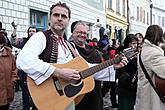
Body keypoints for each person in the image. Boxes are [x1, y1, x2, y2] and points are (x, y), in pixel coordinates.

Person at [16, 2, 128, 110]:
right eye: (56, 15)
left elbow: (86, 68)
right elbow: (23, 59)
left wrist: (112, 66)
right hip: (47, 99)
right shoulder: (41, 37)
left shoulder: (67, 45)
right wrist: (58, 72)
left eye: (64, 16)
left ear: (68, 21)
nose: (60, 18)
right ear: (50, 18)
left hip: (65, 100)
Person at [69, 20, 128, 110]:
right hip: (75, 95)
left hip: (94, 95)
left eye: (84, 33)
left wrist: (114, 66)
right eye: (79, 32)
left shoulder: (94, 51)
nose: (82, 35)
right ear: (73, 33)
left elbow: (100, 71)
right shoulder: (67, 49)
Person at [135, 25, 165, 110]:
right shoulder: (153, 53)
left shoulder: (144, 50)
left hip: (144, 91)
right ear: (158, 36)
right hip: (151, 96)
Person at [10, 23, 38, 110]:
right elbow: (13, 42)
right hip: (25, 71)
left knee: (36, 91)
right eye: (30, 31)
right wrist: (15, 29)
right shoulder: (24, 41)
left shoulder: (40, 42)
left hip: (35, 69)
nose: (31, 33)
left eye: (33, 31)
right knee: (25, 91)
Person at [117, 34, 138, 110]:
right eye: (133, 43)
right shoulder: (122, 54)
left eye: (136, 43)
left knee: (130, 106)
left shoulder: (136, 54)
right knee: (124, 106)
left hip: (133, 86)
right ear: (127, 43)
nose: (135, 45)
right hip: (124, 86)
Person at [0, 33, 18, 110]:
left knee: (5, 106)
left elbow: (14, 69)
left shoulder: (10, 55)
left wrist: (12, 81)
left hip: (7, 89)